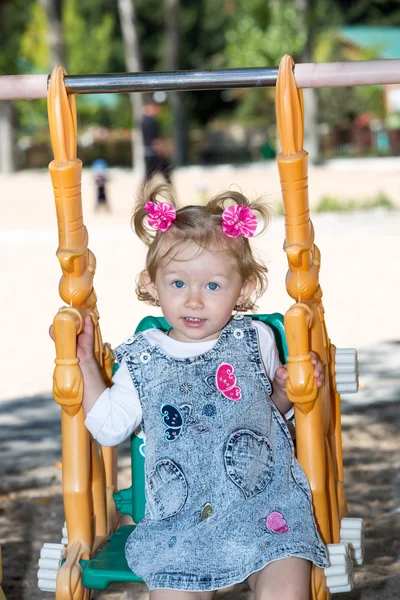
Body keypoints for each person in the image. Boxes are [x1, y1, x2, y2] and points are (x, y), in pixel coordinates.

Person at [65, 181, 329, 599]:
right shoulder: (143, 359)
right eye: (177, 284)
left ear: (242, 290)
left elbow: (267, 415)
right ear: (151, 284)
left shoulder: (255, 338)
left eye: (212, 286)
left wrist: (287, 390)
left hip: (265, 513)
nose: (193, 301)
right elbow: (110, 427)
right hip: (179, 528)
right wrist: (83, 362)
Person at [141, 99, 172, 185]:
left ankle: (143, 196)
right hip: (154, 153)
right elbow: (155, 140)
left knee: (148, 177)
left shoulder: (143, 120)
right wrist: (162, 151)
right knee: (166, 175)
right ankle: (172, 195)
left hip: (148, 152)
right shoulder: (151, 121)